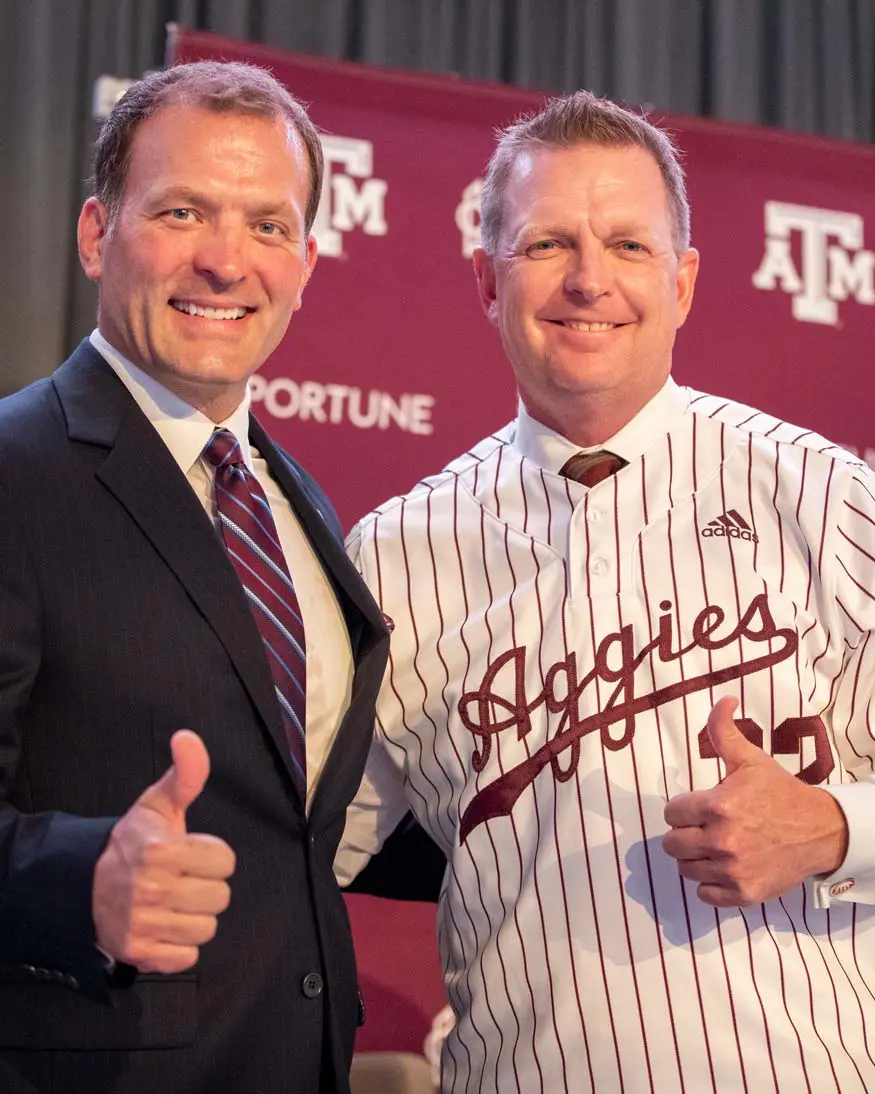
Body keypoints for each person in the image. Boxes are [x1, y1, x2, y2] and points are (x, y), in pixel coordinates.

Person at [336, 90, 875, 1093]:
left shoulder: (830, 497)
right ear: (485, 281)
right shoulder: (394, 553)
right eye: (546, 244)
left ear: (681, 282)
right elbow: (305, 849)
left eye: (627, 246)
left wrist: (836, 829)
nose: (589, 280)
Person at [0, 61, 390, 1094]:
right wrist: (75, 879)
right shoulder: (11, 470)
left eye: (268, 225)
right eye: (181, 211)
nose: (227, 261)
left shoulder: (293, 496)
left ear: (305, 259)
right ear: (96, 233)